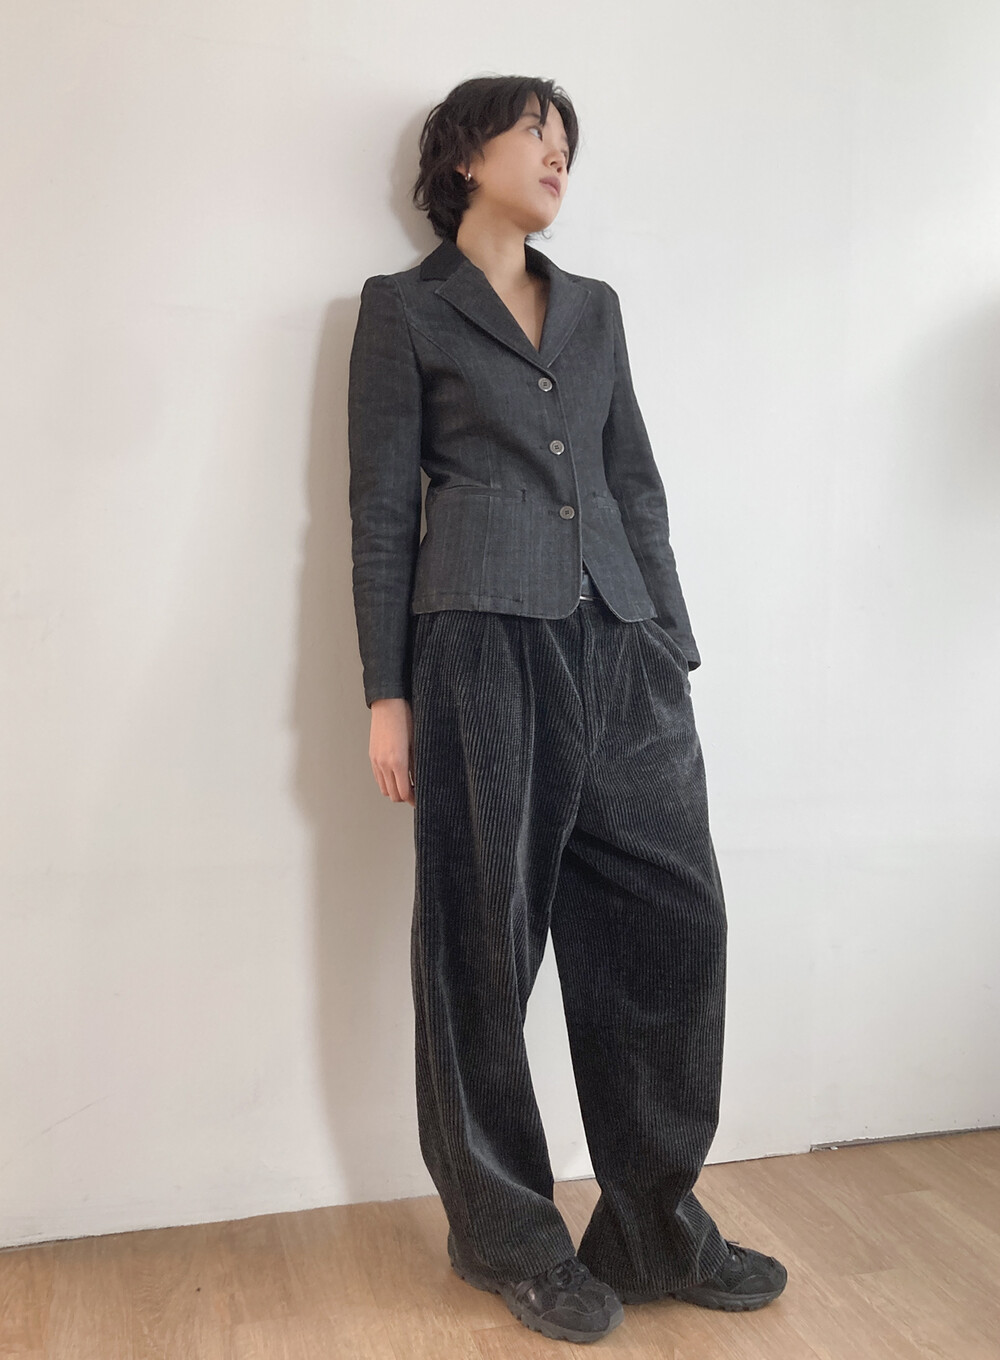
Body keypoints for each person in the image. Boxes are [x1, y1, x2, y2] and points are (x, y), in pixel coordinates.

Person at [347, 74, 787, 1345]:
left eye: (566, 144)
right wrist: (387, 693)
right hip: (479, 644)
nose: (556, 157)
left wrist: (669, 638)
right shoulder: (405, 308)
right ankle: (506, 1233)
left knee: (673, 917)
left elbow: (631, 480)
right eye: (534, 134)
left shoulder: (594, 308)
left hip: (623, 644)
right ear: (463, 158)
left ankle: (651, 1224)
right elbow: (378, 511)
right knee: (481, 943)